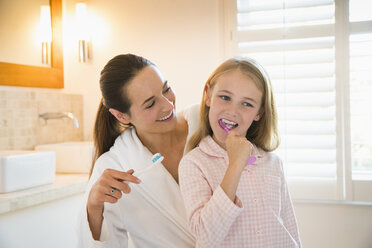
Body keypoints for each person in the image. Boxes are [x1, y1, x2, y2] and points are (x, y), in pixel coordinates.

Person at [77, 54, 199, 247]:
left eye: (166, 89)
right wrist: (94, 207)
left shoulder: (206, 123)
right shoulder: (114, 165)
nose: (168, 105)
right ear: (121, 116)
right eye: (150, 104)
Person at [178, 57, 302, 247]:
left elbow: (289, 228)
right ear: (208, 95)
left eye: (247, 104)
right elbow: (206, 236)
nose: (232, 110)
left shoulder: (273, 163)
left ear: (259, 113)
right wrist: (235, 164)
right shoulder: (194, 164)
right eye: (225, 97)